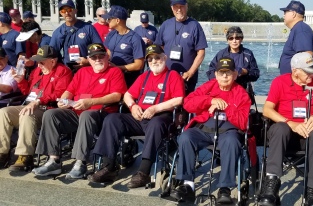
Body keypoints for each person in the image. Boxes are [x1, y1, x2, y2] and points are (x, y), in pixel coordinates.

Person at [88, 44, 185, 186]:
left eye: (157, 57)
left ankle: (143, 172)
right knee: (112, 119)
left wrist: (155, 108)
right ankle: (109, 166)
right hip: (140, 116)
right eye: (150, 59)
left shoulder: (173, 76)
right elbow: (127, 95)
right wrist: (133, 107)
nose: (154, 61)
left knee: (156, 123)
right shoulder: (144, 76)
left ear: (164, 58)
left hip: (160, 117)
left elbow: (179, 99)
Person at [32, 43, 127, 178]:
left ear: (107, 57)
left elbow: (117, 96)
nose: (98, 60)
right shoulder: (82, 72)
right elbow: (69, 91)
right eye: (94, 58)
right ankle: (53, 160)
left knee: (87, 115)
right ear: (88, 59)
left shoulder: (114, 72)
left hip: (100, 114)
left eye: (101, 56)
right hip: (76, 111)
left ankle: (80, 162)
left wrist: (91, 102)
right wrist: (63, 100)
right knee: (50, 114)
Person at [171, 57, 251, 204]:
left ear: (235, 74)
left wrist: (227, 107)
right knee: (186, 137)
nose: (225, 76)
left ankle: (225, 188)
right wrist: (210, 100)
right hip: (204, 129)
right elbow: (188, 103)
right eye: (222, 73)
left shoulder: (241, 94)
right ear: (216, 75)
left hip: (228, 132)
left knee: (232, 141)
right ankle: (187, 185)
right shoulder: (208, 86)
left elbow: (243, 122)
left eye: (228, 73)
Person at [259, 52, 313, 206]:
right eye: (307, 71)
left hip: (307, 132)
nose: (312, 74)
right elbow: (267, 110)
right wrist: (291, 123)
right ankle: (271, 183)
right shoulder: (279, 82)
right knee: (280, 128)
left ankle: (312, 189)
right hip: (284, 133)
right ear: (295, 70)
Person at [0, 45, 72, 171]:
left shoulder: (63, 71)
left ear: (53, 61)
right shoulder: (36, 72)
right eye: (38, 62)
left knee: (27, 114)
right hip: (29, 104)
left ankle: (25, 155)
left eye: (42, 62)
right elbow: (27, 92)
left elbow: (60, 93)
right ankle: (2, 153)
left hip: (48, 109)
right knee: (4, 112)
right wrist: (21, 81)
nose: (39, 65)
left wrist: (38, 101)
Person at [154, 0, 208, 94]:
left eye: (181, 6)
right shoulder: (166, 24)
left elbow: (201, 52)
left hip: (187, 76)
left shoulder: (195, 26)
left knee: (185, 105)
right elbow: (159, 47)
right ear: (171, 8)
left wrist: (191, 71)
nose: (179, 10)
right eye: (176, 7)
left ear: (187, 6)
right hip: (167, 75)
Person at [49, 0, 102, 68]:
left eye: (69, 10)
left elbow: (100, 49)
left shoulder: (88, 28)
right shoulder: (58, 32)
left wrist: (88, 61)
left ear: (75, 10)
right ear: (60, 13)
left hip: (87, 69)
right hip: (67, 70)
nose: (67, 13)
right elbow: (51, 54)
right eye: (63, 11)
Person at [102, 5, 146, 87]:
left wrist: (118, 68)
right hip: (112, 77)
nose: (107, 21)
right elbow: (108, 52)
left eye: (109, 19)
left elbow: (139, 65)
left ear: (117, 20)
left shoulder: (135, 39)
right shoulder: (111, 34)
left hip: (128, 80)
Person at [278, 0, 313, 75]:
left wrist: (298, 81)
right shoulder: (298, 28)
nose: (284, 15)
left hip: (299, 83)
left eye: (285, 12)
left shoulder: (301, 29)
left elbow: (307, 56)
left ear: (293, 13)